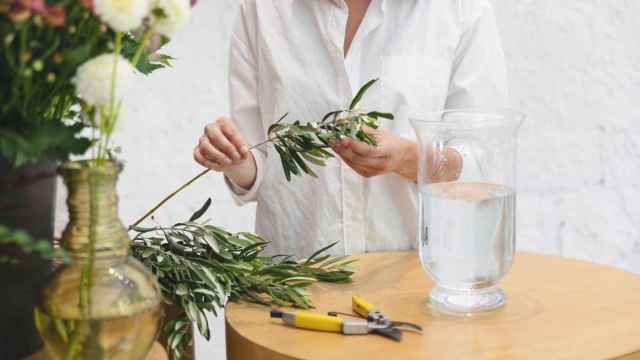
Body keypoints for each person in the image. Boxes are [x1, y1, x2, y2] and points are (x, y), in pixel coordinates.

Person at [193, 0, 507, 257]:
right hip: (296, 282)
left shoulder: (460, 8)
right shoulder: (262, 9)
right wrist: (235, 161)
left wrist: (409, 158)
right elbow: (261, 168)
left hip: (415, 286)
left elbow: (485, 162)